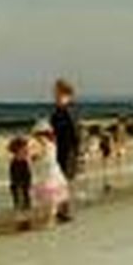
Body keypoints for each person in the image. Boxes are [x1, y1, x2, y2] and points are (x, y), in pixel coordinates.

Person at [29, 120, 69, 228]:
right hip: (51, 173)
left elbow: (38, 158)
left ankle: (50, 219)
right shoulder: (51, 143)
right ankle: (51, 218)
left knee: (50, 199)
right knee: (52, 199)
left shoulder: (43, 144)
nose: (38, 137)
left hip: (48, 174)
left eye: (39, 135)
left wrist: (34, 157)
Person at [50, 79, 80, 222]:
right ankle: (62, 209)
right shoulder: (57, 112)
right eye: (55, 93)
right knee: (60, 180)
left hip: (68, 152)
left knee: (66, 180)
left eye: (58, 94)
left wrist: (77, 153)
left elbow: (76, 134)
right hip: (58, 151)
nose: (55, 96)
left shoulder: (69, 112)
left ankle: (66, 211)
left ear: (67, 95)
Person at [7, 137, 32, 231]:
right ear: (18, 150)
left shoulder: (24, 161)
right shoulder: (15, 162)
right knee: (19, 202)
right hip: (18, 186)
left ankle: (25, 219)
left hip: (24, 185)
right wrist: (19, 186)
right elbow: (15, 178)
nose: (27, 149)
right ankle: (21, 220)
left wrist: (28, 183)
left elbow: (28, 174)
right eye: (25, 148)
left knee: (26, 201)